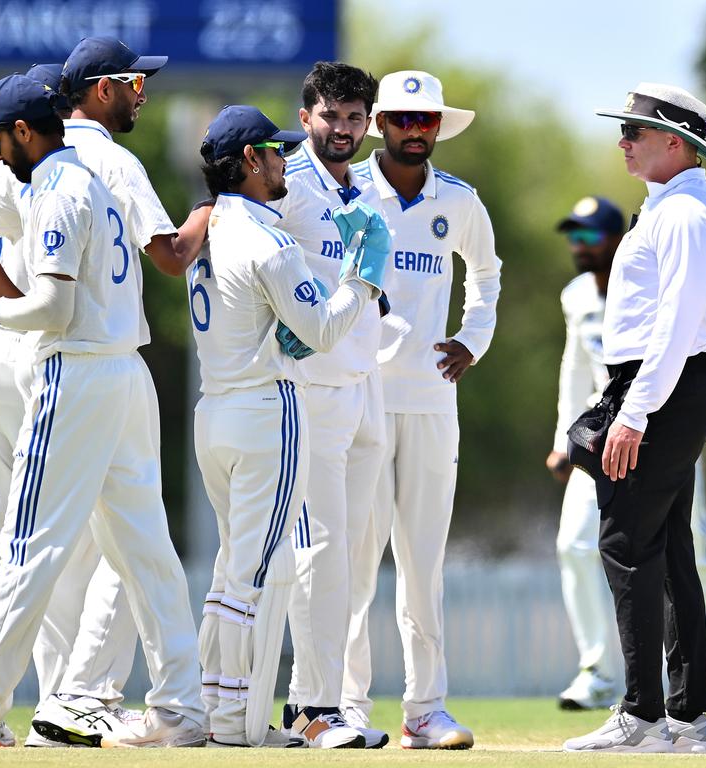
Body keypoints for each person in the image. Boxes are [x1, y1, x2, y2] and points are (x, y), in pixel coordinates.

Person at [0, 73, 204, 747]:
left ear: (24, 132)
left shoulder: (56, 188)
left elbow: (54, 308)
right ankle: (181, 707)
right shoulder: (91, 177)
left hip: (74, 372)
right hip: (123, 370)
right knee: (145, 549)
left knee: (28, 540)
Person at [190, 104, 388, 748]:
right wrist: (363, 274)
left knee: (231, 568)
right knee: (262, 572)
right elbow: (325, 331)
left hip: (214, 410)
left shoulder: (210, 230)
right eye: (274, 153)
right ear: (250, 160)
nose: (284, 163)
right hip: (265, 413)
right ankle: (237, 726)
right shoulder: (269, 239)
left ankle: (221, 713)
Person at [562, 83, 706, 753]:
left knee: (627, 542)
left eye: (636, 128)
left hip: (662, 385)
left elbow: (673, 327)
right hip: (666, 385)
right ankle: (684, 719)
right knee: (668, 551)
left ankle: (642, 714)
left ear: (676, 142)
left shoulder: (683, 213)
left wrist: (632, 414)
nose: (623, 139)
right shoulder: (671, 205)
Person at [342, 70, 502, 750]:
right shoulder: (346, 191)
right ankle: (345, 705)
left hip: (433, 398)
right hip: (362, 394)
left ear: (439, 127)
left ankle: (425, 709)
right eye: (403, 120)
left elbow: (488, 276)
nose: (415, 131)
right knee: (353, 560)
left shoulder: (459, 201)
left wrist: (473, 340)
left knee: (423, 561)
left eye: (426, 121)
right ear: (380, 124)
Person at [264, 61, 389, 749]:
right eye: (329, 116)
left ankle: (324, 705)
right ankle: (313, 710)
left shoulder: (366, 185)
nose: (340, 129)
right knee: (316, 552)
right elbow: (234, 246)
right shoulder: (285, 179)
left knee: (347, 558)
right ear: (306, 115)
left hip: (363, 387)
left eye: (352, 118)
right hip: (307, 391)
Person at [547, 196, 626, 710]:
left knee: (688, 557)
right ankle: (598, 670)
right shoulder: (575, 295)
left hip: (652, 436)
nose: (580, 245)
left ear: (617, 239)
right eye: (575, 236)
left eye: (591, 236)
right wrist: (562, 443)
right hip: (595, 440)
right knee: (574, 546)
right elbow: (575, 371)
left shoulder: (642, 283)